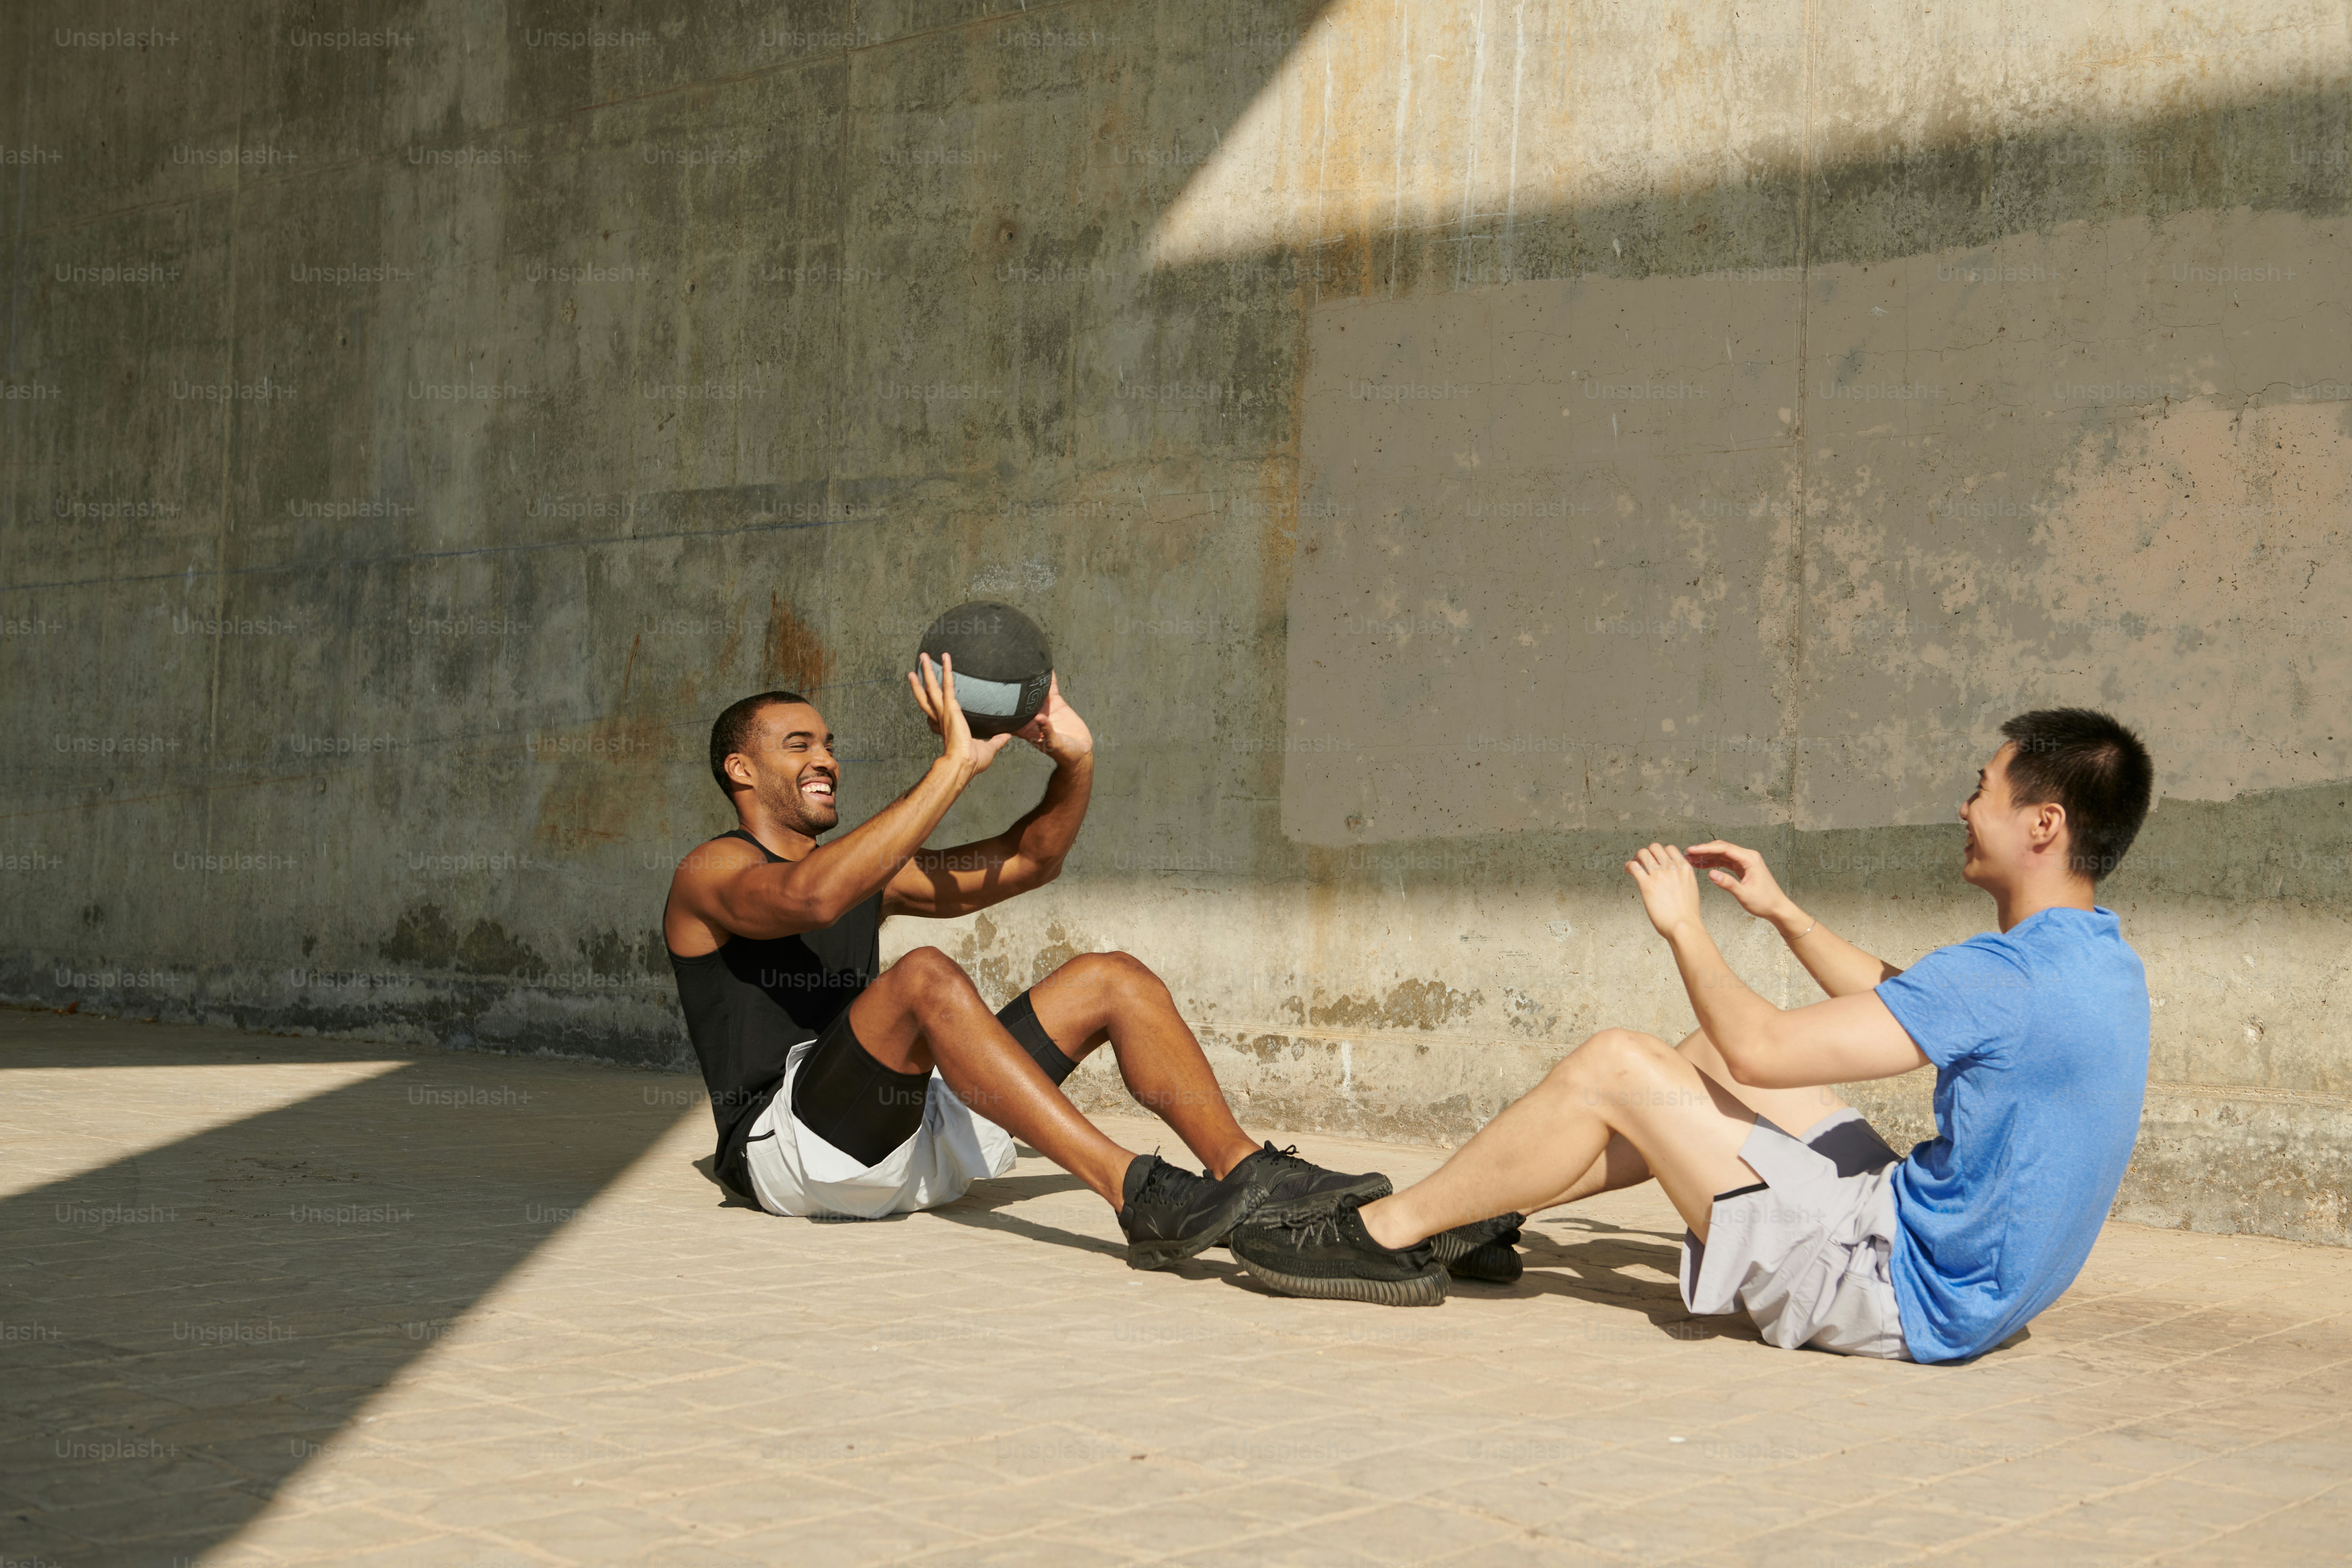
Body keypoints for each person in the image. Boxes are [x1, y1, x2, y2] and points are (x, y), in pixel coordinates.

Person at [1231, 709, 2156, 1365]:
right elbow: (1916, 1001)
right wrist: (1783, 912)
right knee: (1698, 1061)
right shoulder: (2093, 959)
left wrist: (1685, 926)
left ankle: (1382, 1233)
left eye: (1981, 789)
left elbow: (1764, 1050)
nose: (1963, 807)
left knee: (1619, 1065)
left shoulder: (2005, 975)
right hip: (1968, 1280)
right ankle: (1480, 1211)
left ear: (2044, 823)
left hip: (1895, 1292)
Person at [661, 653, 1395, 1267]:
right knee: (923, 976)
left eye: (828, 744)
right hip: (793, 1155)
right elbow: (812, 898)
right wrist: (953, 767)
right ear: (741, 769)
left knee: (1112, 978)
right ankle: (1136, 1191)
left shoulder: (867, 873)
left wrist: (1076, 760)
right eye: (799, 746)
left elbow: (1030, 861)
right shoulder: (710, 871)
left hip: (898, 1131)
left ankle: (1247, 1172)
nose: (826, 759)